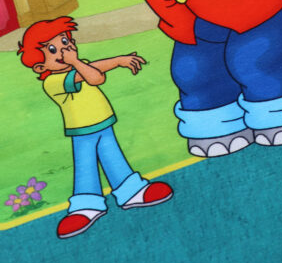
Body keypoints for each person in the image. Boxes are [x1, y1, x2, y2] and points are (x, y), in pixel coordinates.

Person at [18, 16, 173, 239]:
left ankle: (132, 192)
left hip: (103, 122)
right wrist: (75, 62)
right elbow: (95, 77)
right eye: (53, 49)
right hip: (83, 130)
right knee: (86, 165)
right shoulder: (53, 82)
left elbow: (95, 68)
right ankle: (85, 207)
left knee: (114, 157)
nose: (65, 50)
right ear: (41, 66)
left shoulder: (77, 67)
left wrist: (119, 60)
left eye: (65, 42)